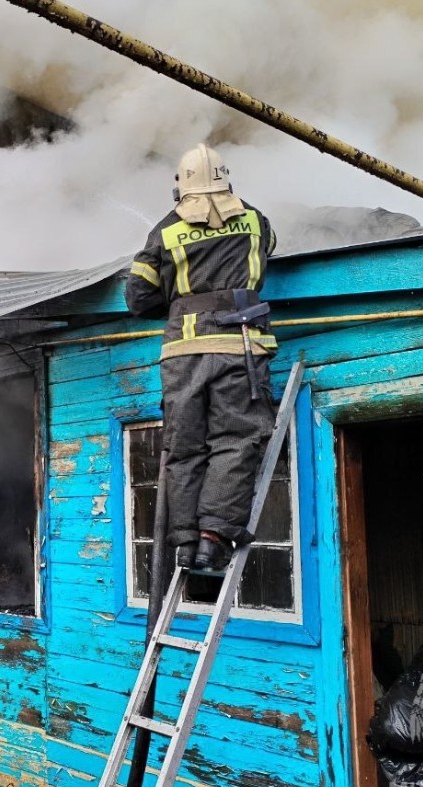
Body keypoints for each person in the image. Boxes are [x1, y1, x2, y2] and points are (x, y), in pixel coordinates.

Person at [125, 143, 278, 572]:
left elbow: (138, 297)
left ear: (181, 188)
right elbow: (267, 253)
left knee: (183, 446)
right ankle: (214, 538)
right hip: (239, 347)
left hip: (183, 356)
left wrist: (179, 301)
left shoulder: (165, 231)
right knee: (236, 439)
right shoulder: (255, 220)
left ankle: (186, 543)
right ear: (228, 180)